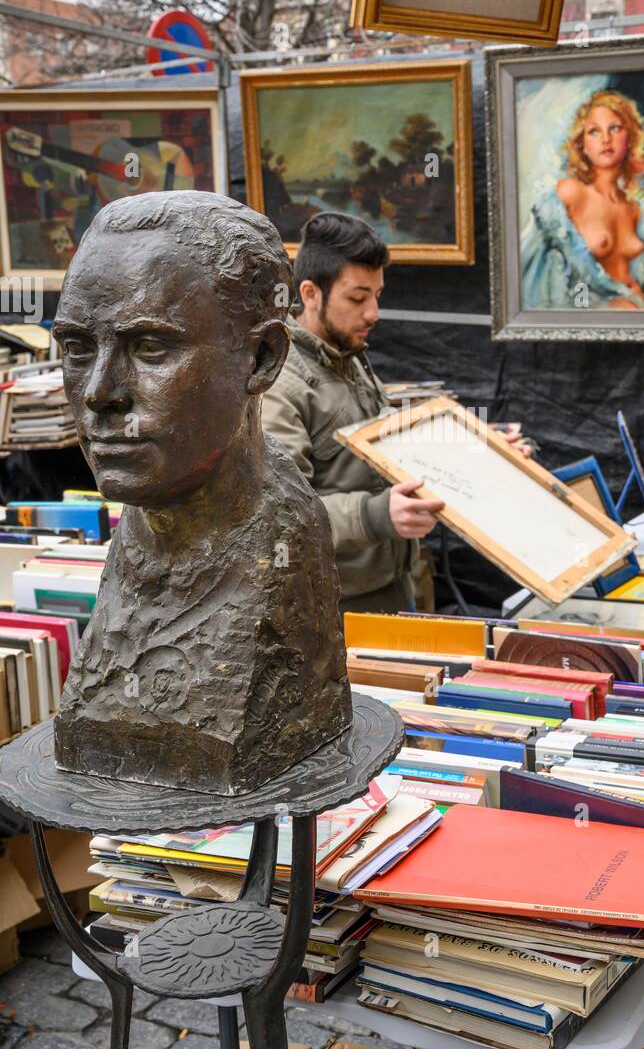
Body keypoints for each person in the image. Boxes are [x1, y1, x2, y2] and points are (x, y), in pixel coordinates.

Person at [52, 191, 351, 792]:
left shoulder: (285, 554)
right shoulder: (138, 530)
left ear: (261, 358)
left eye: (151, 348)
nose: (101, 392)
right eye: (78, 348)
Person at [260, 211, 444, 615]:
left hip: (392, 583)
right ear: (309, 294)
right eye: (358, 298)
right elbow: (280, 514)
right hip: (333, 605)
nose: (373, 313)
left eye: (377, 296)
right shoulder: (278, 386)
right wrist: (376, 515)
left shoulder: (350, 355)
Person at [520, 90, 644, 310]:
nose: (606, 139)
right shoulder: (568, 194)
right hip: (593, 314)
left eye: (615, 128)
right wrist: (606, 307)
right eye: (594, 131)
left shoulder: (635, 208)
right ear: (582, 145)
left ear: (630, 138)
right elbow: (542, 275)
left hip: (642, 311)